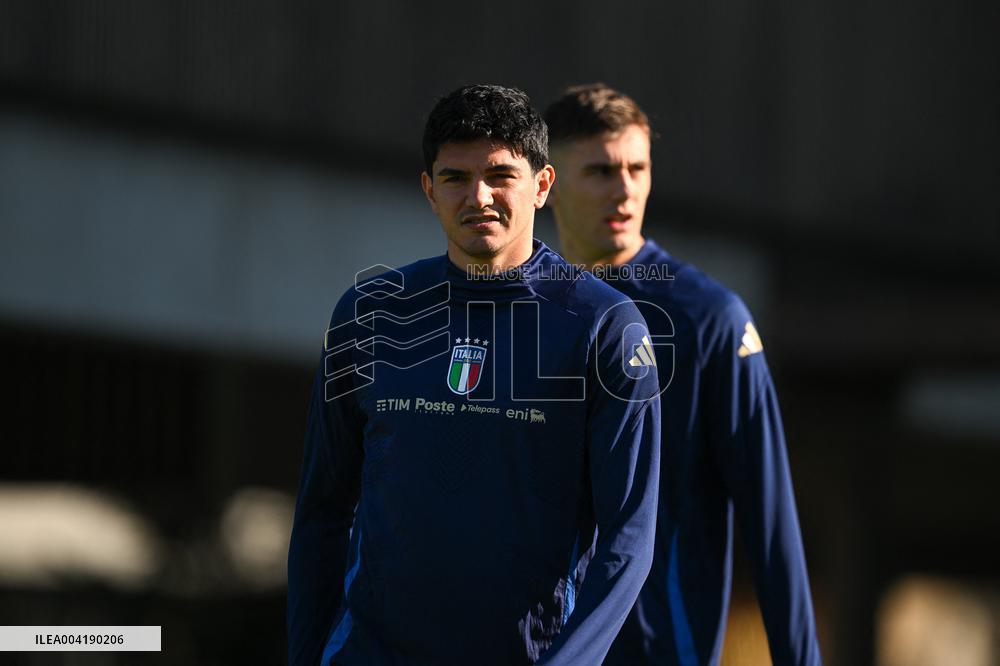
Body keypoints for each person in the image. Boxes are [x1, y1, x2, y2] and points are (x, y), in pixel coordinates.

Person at [287, 84, 662, 666]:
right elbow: (322, 510)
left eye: (500, 175)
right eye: (456, 178)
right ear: (429, 190)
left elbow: (629, 539)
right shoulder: (368, 312)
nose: (478, 196)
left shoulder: (604, 327)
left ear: (543, 184)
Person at [544, 84, 822, 666]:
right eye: (600, 171)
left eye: (637, 168)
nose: (625, 189)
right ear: (549, 184)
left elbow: (771, 522)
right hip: (537, 647)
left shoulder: (709, 319)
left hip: (656, 651)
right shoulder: (523, 309)